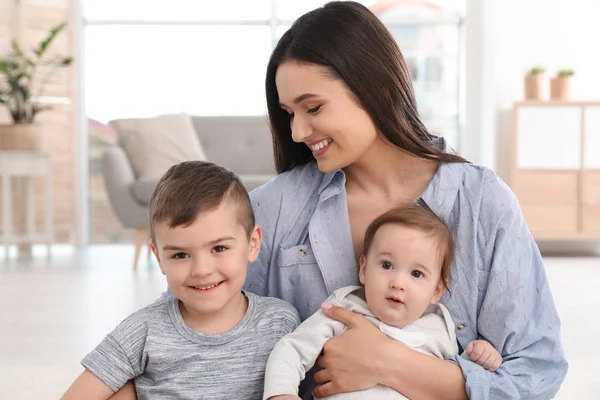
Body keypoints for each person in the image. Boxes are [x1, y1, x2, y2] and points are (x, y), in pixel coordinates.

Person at [244, 1, 568, 399]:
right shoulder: (275, 207)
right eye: (288, 113)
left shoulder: (482, 202)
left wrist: (389, 363)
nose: (296, 132)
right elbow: (181, 319)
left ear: (374, 86)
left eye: (313, 108)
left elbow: (536, 374)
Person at [61, 161, 300, 400]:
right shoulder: (142, 330)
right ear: (159, 258)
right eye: (180, 255)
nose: (202, 270)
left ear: (252, 244)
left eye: (219, 248)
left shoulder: (280, 322)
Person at [263, 206, 502, 400]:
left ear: (436, 290)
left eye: (416, 274)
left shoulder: (440, 327)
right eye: (387, 265)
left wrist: (478, 358)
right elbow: (291, 349)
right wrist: (281, 393)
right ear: (364, 269)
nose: (398, 282)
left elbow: (452, 384)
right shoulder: (343, 309)